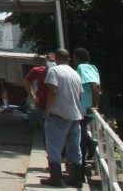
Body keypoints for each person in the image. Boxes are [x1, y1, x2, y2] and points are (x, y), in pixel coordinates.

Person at [42, 48, 84, 188]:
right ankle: (76, 178)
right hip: (75, 116)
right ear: (69, 59)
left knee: (54, 146)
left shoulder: (54, 71)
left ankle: (55, 178)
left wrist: (47, 110)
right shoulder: (75, 74)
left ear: (56, 58)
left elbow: (53, 90)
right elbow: (80, 95)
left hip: (58, 114)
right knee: (74, 148)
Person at [72, 47, 101, 174]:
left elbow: (95, 85)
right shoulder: (92, 67)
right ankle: (89, 146)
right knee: (81, 134)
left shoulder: (82, 67)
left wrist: (95, 105)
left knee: (80, 138)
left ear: (77, 57)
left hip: (85, 109)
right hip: (85, 108)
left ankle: (81, 168)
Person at [26, 53, 56, 129]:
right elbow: (26, 81)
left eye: (53, 61)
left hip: (56, 106)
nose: (52, 63)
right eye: (50, 60)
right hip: (41, 105)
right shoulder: (38, 71)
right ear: (46, 61)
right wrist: (32, 95)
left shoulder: (58, 71)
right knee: (44, 130)